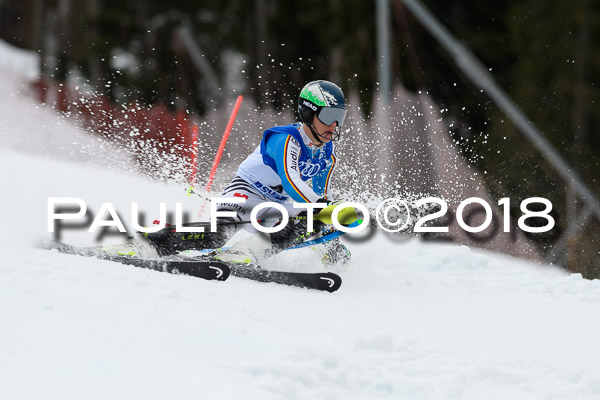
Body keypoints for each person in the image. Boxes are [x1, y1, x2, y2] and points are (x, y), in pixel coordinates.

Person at [106, 80, 355, 266]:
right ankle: (147, 243)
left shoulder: (327, 153)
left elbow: (320, 196)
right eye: (329, 116)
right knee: (215, 236)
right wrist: (324, 206)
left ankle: (249, 251)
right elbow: (292, 182)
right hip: (245, 193)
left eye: (339, 118)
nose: (334, 126)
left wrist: (329, 237)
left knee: (317, 218)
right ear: (308, 112)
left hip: (275, 206)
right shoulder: (286, 139)